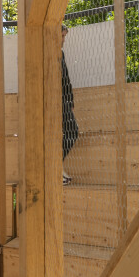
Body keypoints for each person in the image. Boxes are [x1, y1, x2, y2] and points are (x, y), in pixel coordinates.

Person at [61, 24, 79, 184]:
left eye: (64, 36)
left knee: (72, 131)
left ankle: (56, 166)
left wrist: (70, 99)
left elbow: (65, 78)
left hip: (62, 101)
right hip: (50, 101)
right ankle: (55, 168)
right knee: (71, 131)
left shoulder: (60, 53)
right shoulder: (44, 50)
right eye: (62, 36)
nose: (63, 40)